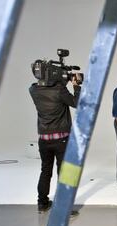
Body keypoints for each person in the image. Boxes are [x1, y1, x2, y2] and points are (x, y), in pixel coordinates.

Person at [29, 70, 82, 212]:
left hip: (44, 139)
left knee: (45, 171)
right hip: (61, 140)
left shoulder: (34, 90)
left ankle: (42, 203)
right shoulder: (59, 90)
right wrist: (76, 85)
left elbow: (43, 87)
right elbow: (77, 103)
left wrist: (60, 80)